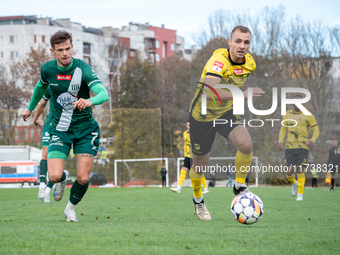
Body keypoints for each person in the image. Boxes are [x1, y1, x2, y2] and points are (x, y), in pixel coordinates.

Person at [22, 30, 109, 222]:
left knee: (83, 178)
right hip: (59, 130)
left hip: (85, 130)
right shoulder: (47, 69)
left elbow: (104, 94)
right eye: (60, 50)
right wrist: (30, 108)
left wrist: (89, 101)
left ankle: (70, 209)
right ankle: (62, 178)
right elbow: (40, 87)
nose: (65, 53)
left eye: (68, 48)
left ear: (72, 47)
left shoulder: (82, 69)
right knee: (53, 176)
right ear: (53, 51)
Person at [189, 26, 263, 220]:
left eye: (246, 42)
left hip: (225, 112)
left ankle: (239, 185)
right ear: (229, 42)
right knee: (200, 164)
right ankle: (198, 201)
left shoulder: (250, 64)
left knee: (246, 144)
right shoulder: (218, 61)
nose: (242, 46)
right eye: (238, 41)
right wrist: (243, 95)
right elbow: (209, 92)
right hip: (202, 116)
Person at [278, 95, 319, 201]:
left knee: (300, 169)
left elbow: (316, 130)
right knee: (288, 172)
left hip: (303, 147)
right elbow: (283, 129)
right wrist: (280, 141)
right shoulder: (287, 114)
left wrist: (312, 140)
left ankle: (300, 194)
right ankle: (294, 183)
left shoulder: (309, 115)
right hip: (290, 146)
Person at [171, 121, 209, 193]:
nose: (190, 127)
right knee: (183, 171)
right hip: (188, 156)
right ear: (186, 126)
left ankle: (205, 188)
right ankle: (178, 188)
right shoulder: (185, 134)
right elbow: (187, 142)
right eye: (189, 125)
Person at [33, 86, 54, 203]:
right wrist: (35, 118)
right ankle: (41, 186)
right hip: (50, 123)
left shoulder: (74, 86)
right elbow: (42, 103)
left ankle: (48, 191)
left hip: (65, 127)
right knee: (45, 151)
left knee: (56, 159)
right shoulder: (51, 85)